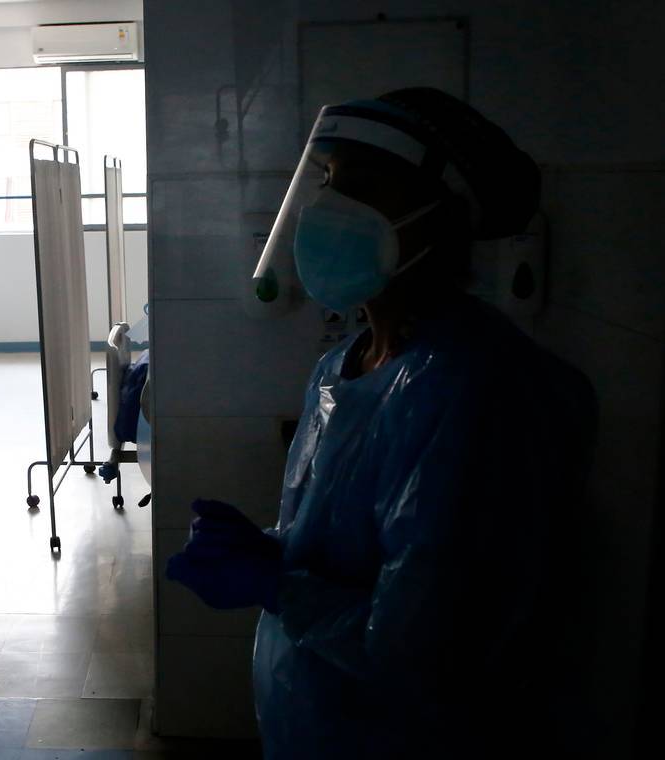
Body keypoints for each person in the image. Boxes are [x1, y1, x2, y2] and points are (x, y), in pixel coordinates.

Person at [166, 88, 596, 758]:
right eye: (327, 181)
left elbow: (428, 645)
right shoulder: (344, 366)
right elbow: (349, 545)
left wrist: (276, 585)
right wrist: (273, 548)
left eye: (362, 187)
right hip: (309, 723)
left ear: (443, 218)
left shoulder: (477, 390)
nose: (326, 208)